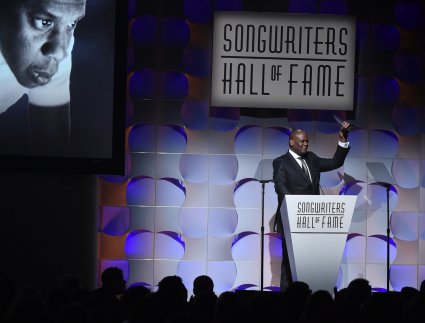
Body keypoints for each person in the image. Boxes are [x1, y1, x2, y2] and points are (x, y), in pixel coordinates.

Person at [272, 121, 351, 292]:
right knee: (289, 262)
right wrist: (294, 208)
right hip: (292, 219)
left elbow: (335, 162)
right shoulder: (281, 162)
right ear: (292, 142)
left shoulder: (312, 158)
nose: (306, 144)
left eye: (307, 141)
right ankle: (287, 297)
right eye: (302, 141)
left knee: (310, 262)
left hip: (313, 219)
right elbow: (280, 186)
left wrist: (343, 140)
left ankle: (311, 294)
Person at [0, 0, 86, 155]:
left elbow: (52, 156)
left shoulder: (55, 48)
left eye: (72, 24)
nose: (60, 53)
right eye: (44, 22)